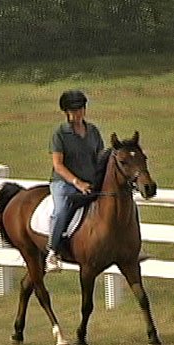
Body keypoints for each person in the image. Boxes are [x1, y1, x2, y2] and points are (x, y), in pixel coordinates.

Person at [46, 90, 104, 272]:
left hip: (90, 182)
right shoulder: (60, 134)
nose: (78, 113)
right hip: (64, 183)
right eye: (74, 110)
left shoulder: (93, 131)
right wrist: (77, 182)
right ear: (67, 112)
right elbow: (58, 165)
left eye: (81, 109)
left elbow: (100, 158)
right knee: (61, 210)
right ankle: (53, 252)